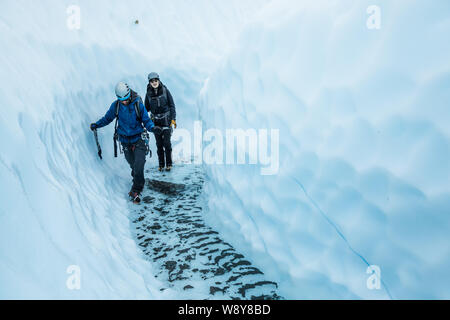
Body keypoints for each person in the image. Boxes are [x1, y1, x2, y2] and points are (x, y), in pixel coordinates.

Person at [90, 82, 155, 203]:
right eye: (121, 100)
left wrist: (152, 128)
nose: (124, 102)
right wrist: (97, 124)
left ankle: (136, 189)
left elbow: (146, 120)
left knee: (139, 163)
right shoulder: (116, 106)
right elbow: (107, 118)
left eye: (125, 99)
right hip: (125, 140)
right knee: (132, 164)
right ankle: (137, 176)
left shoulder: (138, 104)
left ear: (129, 94)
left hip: (139, 138)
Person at [144, 72, 177, 172]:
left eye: (155, 80)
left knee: (167, 143)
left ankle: (169, 164)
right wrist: (146, 121)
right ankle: (161, 164)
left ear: (158, 80)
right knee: (159, 144)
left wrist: (173, 119)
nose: (154, 82)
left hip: (166, 121)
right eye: (152, 81)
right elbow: (146, 109)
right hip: (156, 123)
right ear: (149, 82)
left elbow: (172, 105)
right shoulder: (148, 94)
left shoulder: (165, 90)